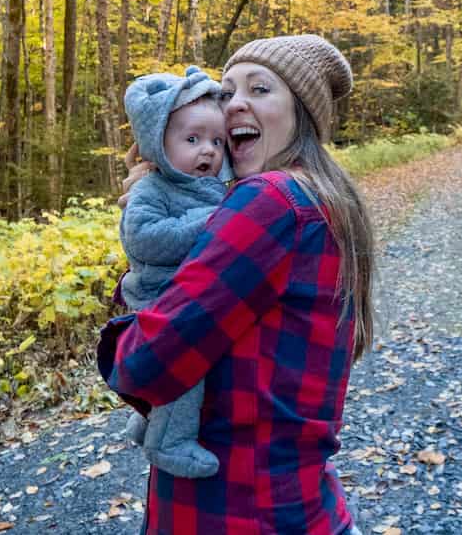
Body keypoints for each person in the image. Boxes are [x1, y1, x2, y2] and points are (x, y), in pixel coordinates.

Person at [98, 34, 375, 534]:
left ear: (302, 116)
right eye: (226, 93)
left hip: (231, 511)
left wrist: (138, 291)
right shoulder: (323, 199)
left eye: (260, 89)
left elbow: (142, 365)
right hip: (301, 503)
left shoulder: (267, 201)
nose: (235, 104)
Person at [118, 65, 232, 478]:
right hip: (156, 294)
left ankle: (148, 419)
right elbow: (144, 239)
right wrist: (210, 221)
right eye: (192, 139)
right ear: (159, 144)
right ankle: (169, 443)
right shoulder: (152, 188)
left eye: (217, 141)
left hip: (185, 290)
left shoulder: (207, 183)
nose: (208, 151)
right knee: (188, 365)